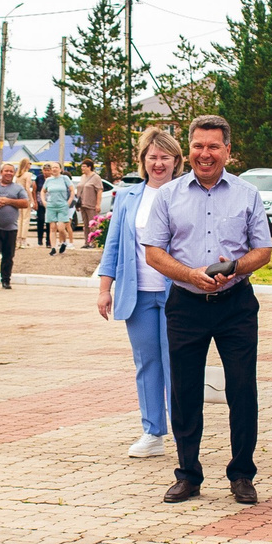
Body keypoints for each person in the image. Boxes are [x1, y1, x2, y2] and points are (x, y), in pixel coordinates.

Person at [142, 115, 272, 503]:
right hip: (185, 304)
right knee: (183, 391)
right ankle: (188, 474)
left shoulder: (247, 194)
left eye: (214, 146)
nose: (205, 154)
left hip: (236, 304)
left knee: (242, 389)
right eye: (198, 146)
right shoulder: (169, 195)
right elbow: (153, 253)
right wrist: (190, 274)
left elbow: (262, 251)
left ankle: (242, 474)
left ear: (228, 151)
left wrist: (233, 267)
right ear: (189, 150)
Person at [97, 129, 180, 460]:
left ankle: (185, 431)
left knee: (177, 363)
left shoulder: (185, 193)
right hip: (139, 295)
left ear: (176, 161)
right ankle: (153, 432)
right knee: (147, 363)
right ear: (143, 160)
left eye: (165, 157)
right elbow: (113, 246)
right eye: (152, 157)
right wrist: (105, 289)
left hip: (177, 294)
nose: (158, 163)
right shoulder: (128, 197)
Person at [42, 161, 75, 255]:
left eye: (56, 167)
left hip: (62, 205)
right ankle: (53, 248)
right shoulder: (48, 180)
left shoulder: (65, 178)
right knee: (52, 227)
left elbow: (72, 190)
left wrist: (69, 202)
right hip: (51, 205)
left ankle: (64, 242)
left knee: (61, 227)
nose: (54, 169)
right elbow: (43, 191)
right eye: (53, 167)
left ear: (60, 169)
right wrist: (44, 201)